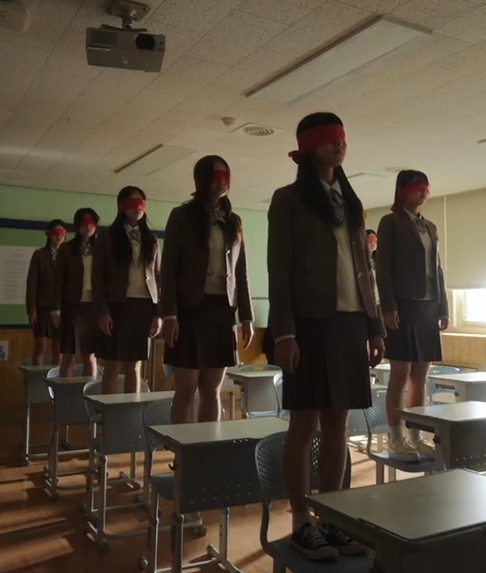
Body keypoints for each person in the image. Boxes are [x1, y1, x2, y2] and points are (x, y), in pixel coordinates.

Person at [268, 112, 383, 561]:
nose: (340, 145)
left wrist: (374, 325)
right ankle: (301, 522)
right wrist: (284, 333)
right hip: (309, 323)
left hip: (350, 323)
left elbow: (365, 270)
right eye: (331, 139)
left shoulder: (350, 201)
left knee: (339, 424)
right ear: (308, 147)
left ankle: (332, 518)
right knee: (304, 423)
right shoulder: (289, 199)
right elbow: (279, 269)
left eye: (342, 138)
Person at [161, 156, 255, 423]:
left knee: (212, 390)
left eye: (225, 177)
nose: (221, 183)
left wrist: (246, 317)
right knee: (185, 389)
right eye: (215, 177)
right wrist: (169, 314)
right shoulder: (181, 216)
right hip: (189, 309)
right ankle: (181, 448)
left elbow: (241, 273)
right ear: (201, 181)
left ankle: (206, 445)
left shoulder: (234, 221)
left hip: (222, 311)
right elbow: (168, 269)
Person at [374, 170, 447, 461]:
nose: (424, 193)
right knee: (400, 375)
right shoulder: (390, 222)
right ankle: (395, 437)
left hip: (429, 306)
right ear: (403, 191)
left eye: (426, 188)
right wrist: (388, 307)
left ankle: (416, 435)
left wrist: (443, 306)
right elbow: (382, 268)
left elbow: (437, 269)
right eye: (418, 188)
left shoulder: (430, 226)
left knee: (421, 375)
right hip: (403, 305)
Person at [94, 187, 161, 394]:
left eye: (141, 203)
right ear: (121, 206)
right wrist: (103, 312)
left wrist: (158, 313)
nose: (137, 208)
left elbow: (158, 277)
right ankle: (108, 410)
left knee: (134, 367)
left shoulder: (151, 239)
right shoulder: (107, 237)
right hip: (117, 306)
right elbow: (97, 278)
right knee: (112, 366)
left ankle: (132, 409)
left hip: (144, 307)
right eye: (132, 203)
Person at [53, 208, 101, 378]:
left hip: (95, 306)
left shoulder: (102, 248)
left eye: (91, 223)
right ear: (77, 226)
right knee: (69, 356)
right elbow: (58, 281)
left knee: (90, 356)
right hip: (71, 306)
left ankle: (89, 391)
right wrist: (56, 309)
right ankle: (64, 393)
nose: (88, 226)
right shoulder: (66, 249)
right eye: (83, 223)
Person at [26, 219, 67, 366]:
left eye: (61, 233)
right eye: (55, 233)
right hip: (42, 306)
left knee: (59, 347)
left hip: (62, 307)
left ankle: (56, 375)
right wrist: (32, 309)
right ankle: (37, 376)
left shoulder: (68, 255)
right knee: (40, 345)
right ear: (48, 234)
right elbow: (32, 283)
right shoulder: (39, 255)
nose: (58, 236)